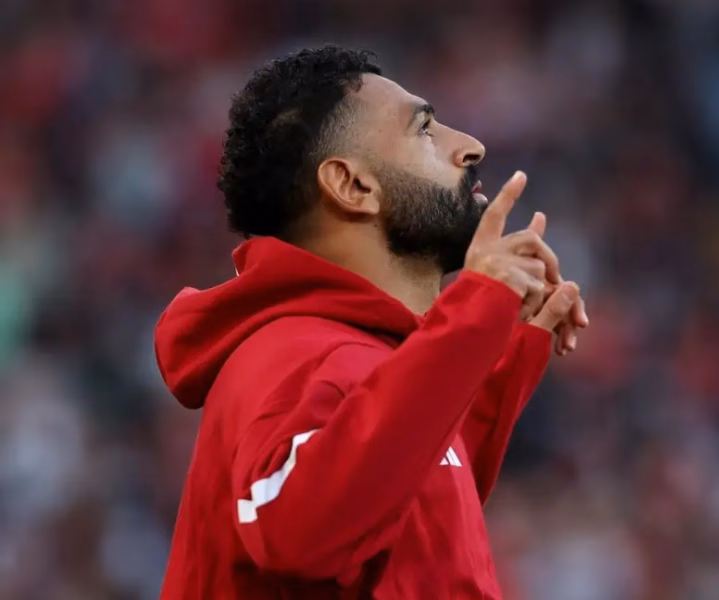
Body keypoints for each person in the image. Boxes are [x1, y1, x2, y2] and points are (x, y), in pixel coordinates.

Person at [153, 45, 588, 599]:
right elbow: (301, 526)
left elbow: (396, 499)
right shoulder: (292, 354)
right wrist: (473, 316)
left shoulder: (357, 354)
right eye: (424, 129)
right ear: (352, 185)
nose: (470, 145)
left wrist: (505, 349)